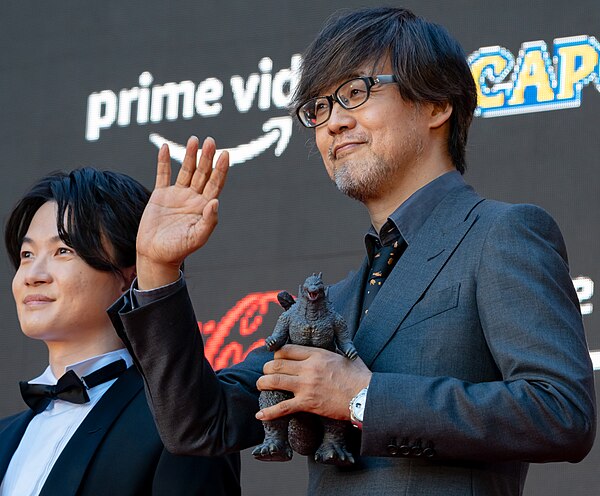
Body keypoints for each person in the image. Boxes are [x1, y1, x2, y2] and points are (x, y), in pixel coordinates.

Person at [112, 7, 595, 496]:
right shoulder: (332, 304)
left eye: (355, 93)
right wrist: (157, 269)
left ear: (435, 104)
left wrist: (363, 397)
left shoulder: (502, 233)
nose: (333, 123)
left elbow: (561, 411)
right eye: (318, 108)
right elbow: (198, 425)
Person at [0, 169, 240, 496]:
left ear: (130, 275)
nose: (33, 275)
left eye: (63, 251)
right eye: (27, 255)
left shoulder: (184, 423)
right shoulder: (4, 437)